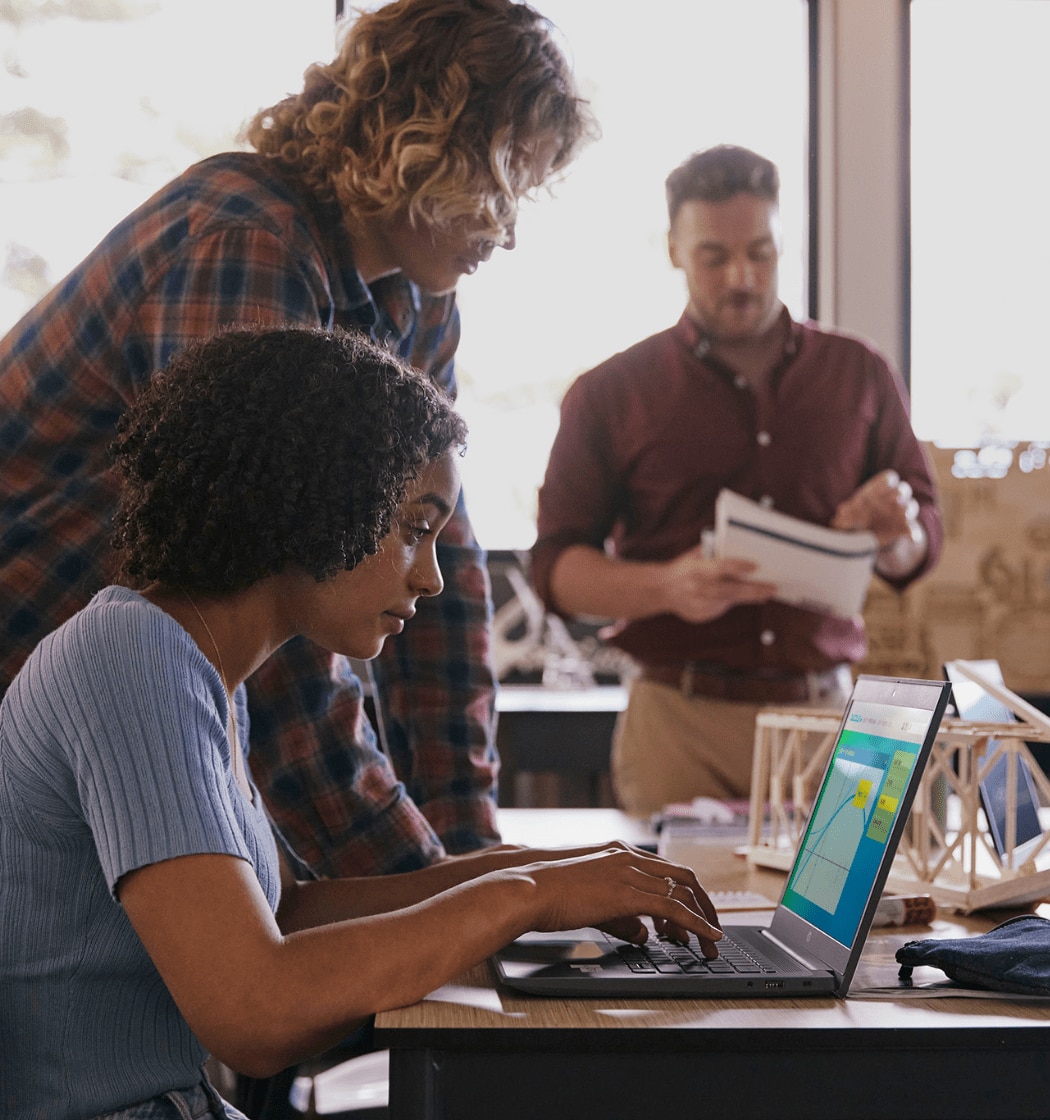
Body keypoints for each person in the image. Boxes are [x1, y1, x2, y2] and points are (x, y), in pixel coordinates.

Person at [0, 327, 721, 1120]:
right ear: (320, 499)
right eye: (414, 526)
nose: (432, 574)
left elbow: (283, 918)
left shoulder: (198, 672)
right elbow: (255, 1008)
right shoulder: (131, 658)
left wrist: (552, 873)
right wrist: (525, 896)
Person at [0, 0, 594, 880]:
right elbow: (261, 591)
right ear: (420, 137)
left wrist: (472, 859)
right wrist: (424, 886)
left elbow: (446, 578)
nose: (506, 228)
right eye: (503, 181)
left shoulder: (417, 305)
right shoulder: (247, 242)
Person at [530, 145, 943, 816]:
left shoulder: (859, 372)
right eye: (714, 259)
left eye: (761, 253)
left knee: (857, 923)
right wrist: (665, 586)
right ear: (673, 250)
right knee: (674, 923)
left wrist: (898, 536)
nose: (741, 278)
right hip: (677, 724)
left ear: (785, 244)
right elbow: (555, 570)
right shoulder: (610, 393)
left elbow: (923, 535)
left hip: (825, 718)